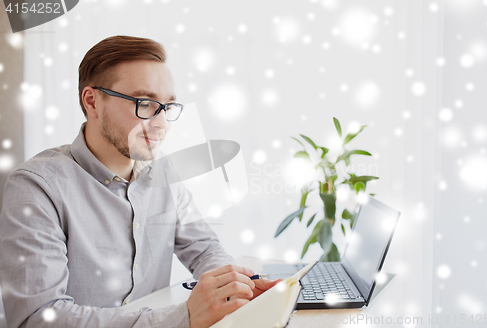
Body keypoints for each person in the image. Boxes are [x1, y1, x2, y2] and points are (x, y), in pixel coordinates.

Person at [0, 35, 280, 328]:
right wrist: (184, 316)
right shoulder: (36, 188)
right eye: (145, 103)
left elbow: (205, 248)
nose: (160, 123)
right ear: (92, 101)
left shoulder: (165, 177)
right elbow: (37, 319)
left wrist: (237, 285)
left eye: (167, 107)